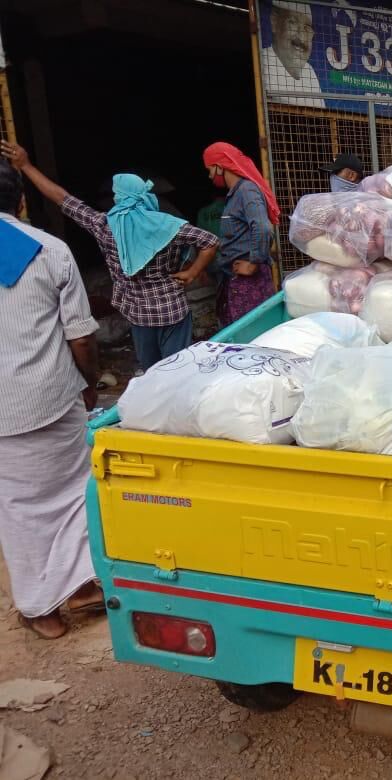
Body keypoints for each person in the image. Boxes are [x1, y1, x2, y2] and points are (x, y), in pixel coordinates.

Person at [0, 160, 105, 639]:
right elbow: (81, 337)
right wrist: (90, 382)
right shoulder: (48, 250)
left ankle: (41, 609)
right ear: (20, 198)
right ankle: (83, 584)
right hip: (52, 398)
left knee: (18, 507)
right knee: (74, 491)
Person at [2, 141, 219, 370]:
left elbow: (62, 199)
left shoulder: (104, 226)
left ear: (120, 197)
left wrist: (25, 165)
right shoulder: (169, 225)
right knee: (181, 369)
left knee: (152, 372)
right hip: (173, 310)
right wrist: (192, 272)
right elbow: (210, 242)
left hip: (139, 316)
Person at [202, 141, 280, 328]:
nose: (210, 175)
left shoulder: (247, 190)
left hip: (249, 281)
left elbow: (263, 227)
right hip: (237, 278)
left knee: (253, 334)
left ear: (220, 167)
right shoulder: (235, 194)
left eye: (210, 169)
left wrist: (253, 262)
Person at [262, 1, 324, 108]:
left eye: (307, 28)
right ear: (274, 22)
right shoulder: (262, 61)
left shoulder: (309, 72)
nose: (301, 37)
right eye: (292, 22)